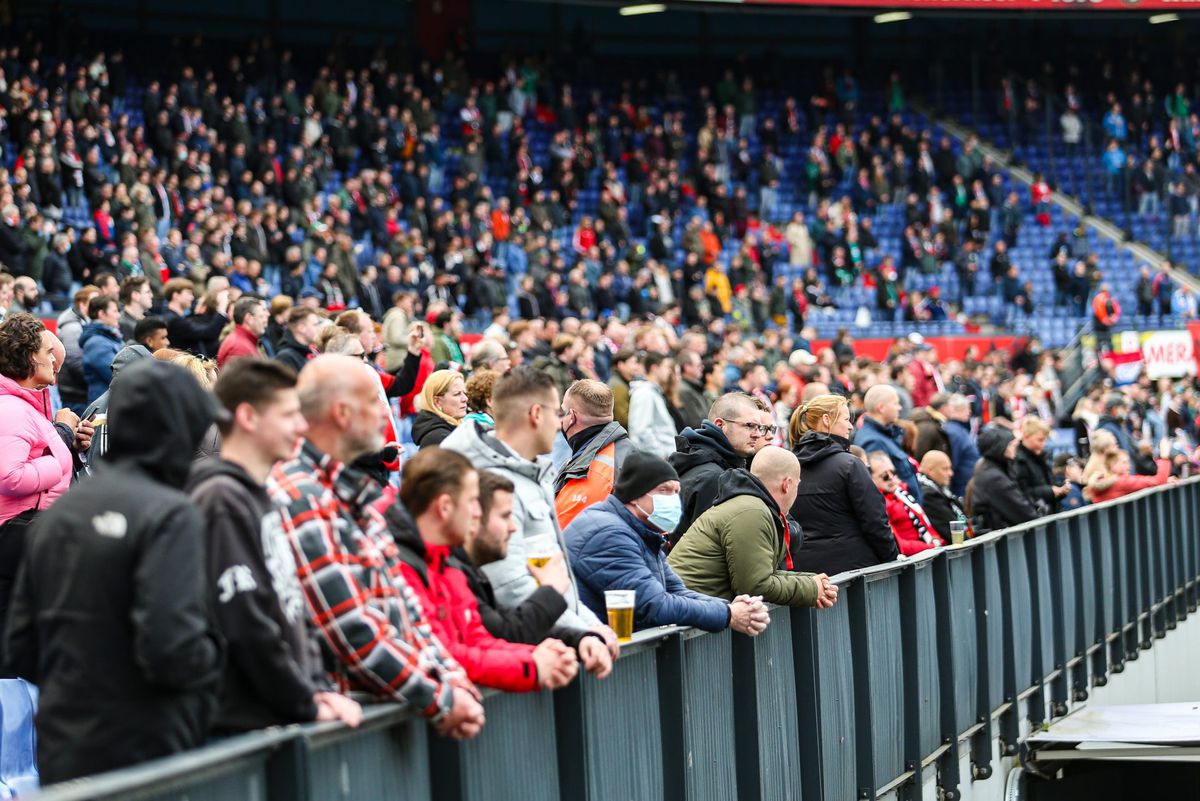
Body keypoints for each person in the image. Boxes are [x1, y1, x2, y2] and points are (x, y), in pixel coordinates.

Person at [4, 360, 225, 783]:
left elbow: (21, 648)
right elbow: (172, 649)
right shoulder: (171, 514)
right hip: (153, 748)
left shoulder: (58, 515)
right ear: (178, 425)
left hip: (67, 744)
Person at [267, 355, 484, 739]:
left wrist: (451, 676)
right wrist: (441, 697)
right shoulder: (298, 494)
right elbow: (351, 626)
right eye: (374, 403)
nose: (386, 416)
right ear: (341, 413)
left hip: (391, 712)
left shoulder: (356, 493)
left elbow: (404, 607)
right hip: (350, 730)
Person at [188, 358, 362, 732]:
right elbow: (245, 621)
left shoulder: (261, 494)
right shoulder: (220, 499)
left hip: (281, 716)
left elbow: (294, 608)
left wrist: (317, 688)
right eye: (288, 415)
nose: (301, 427)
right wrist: (304, 701)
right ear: (249, 417)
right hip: (245, 730)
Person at [441, 367, 614, 652]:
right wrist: (584, 633)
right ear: (536, 414)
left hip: (559, 640)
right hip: (533, 651)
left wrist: (591, 626)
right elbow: (509, 587)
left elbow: (558, 577)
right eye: (556, 413)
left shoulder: (532, 471)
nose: (561, 423)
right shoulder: (488, 483)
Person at [390, 448, 579, 693]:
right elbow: (442, 653)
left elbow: (477, 639)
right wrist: (531, 664)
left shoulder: (447, 565)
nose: (477, 512)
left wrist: (539, 656)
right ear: (445, 507)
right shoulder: (403, 566)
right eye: (471, 501)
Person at [565, 449, 771, 635]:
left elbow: (677, 590)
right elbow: (655, 605)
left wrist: (731, 607)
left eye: (676, 491)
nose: (673, 499)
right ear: (636, 496)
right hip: (585, 661)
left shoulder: (641, 532)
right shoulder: (610, 534)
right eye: (664, 490)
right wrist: (728, 614)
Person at [452, 470, 613, 677]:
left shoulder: (468, 571)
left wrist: (582, 638)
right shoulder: (451, 571)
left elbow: (504, 627)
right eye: (505, 516)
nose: (513, 528)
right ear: (473, 518)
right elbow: (507, 634)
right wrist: (551, 591)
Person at [669, 446, 837, 609]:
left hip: (691, 612)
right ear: (787, 484)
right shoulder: (752, 511)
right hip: (684, 621)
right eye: (797, 485)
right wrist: (812, 588)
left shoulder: (751, 505)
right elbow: (755, 586)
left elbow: (762, 575)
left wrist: (813, 582)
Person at [0, 314, 78, 640]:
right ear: (30, 356)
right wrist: (56, 461)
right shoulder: (11, 409)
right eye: (48, 351)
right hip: (16, 535)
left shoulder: (26, 404)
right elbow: (10, 476)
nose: (54, 360)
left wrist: (70, 438)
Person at [789, 394, 899, 574]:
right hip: (855, 572)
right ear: (826, 420)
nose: (850, 426)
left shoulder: (790, 463)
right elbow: (875, 521)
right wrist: (892, 559)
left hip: (807, 574)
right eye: (846, 419)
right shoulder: (850, 464)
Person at [668, 392, 773, 545]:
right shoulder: (714, 477)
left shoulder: (708, 464)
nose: (757, 435)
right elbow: (708, 548)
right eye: (749, 426)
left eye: (759, 427)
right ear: (720, 425)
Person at [554, 379, 631, 530]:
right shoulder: (625, 448)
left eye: (562, 412)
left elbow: (564, 530)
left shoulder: (591, 469)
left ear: (572, 417)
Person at [868, 451, 945, 555]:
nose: (891, 477)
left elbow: (924, 523)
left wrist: (936, 540)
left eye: (893, 472)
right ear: (872, 479)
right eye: (885, 476)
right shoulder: (879, 504)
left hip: (928, 552)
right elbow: (897, 543)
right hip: (913, 560)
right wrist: (928, 547)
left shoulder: (902, 494)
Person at [854, 384, 922, 501]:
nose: (899, 408)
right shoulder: (873, 441)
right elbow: (882, 489)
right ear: (881, 408)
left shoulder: (886, 433)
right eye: (895, 403)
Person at [966, 426, 1039, 534]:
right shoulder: (993, 477)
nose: (1015, 448)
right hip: (1002, 540)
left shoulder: (995, 468)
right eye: (1011, 445)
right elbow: (1023, 513)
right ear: (999, 448)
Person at [1012, 417, 1069, 515]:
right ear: (1026, 436)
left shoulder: (1043, 457)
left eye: (1044, 440)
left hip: (1050, 512)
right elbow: (1020, 493)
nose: (1043, 444)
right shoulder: (1018, 460)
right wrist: (1050, 491)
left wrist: (1061, 488)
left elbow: (1049, 483)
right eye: (1039, 440)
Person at [628, 351, 679, 458]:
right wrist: (660, 456)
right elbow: (641, 431)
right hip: (658, 462)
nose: (669, 372)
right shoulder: (644, 393)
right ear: (654, 368)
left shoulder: (653, 392)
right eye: (665, 367)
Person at [161, 277, 229, 357]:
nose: (192, 297)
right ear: (176, 295)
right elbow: (208, 333)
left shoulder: (174, 317)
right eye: (188, 293)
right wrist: (221, 309)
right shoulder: (175, 320)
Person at [80, 293, 125, 404]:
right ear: (101, 314)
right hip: (105, 406)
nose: (118, 315)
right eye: (115, 311)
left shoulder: (112, 337)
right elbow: (117, 375)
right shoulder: (95, 343)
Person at [917, 450, 970, 543]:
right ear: (930, 471)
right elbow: (953, 532)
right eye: (945, 469)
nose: (951, 473)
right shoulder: (929, 495)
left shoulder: (937, 488)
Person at [1088, 448, 1175, 503]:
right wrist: (1164, 458)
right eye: (1124, 462)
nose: (1129, 466)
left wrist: (1165, 480)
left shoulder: (1101, 482)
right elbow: (1158, 481)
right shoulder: (1121, 482)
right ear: (1112, 465)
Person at [412, 369, 468, 448]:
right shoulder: (438, 439)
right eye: (457, 394)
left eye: (464, 393)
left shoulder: (456, 428)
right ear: (437, 401)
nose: (465, 398)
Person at [216, 295, 270, 368]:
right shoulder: (239, 348)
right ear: (249, 319)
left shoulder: (244, 342)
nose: (264, 321)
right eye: (261, 316)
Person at [943, 394, 980, 498]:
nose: (969, 412)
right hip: (960, 490)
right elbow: (952, 462)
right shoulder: (954, 432)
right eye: (965, 409)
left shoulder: (959, 430)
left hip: (966, 487)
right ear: (955, 410)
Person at [274, 306, 321, 373]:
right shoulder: (286, 358)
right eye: (315, 325)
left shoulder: (304, 352)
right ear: (302, 328)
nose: (319, 329)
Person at [607, 348, 638, 429]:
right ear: (621, 365)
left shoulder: (621, 382)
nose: (636, 367)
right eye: (632, 362)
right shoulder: (618, 387)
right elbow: (624, 420)